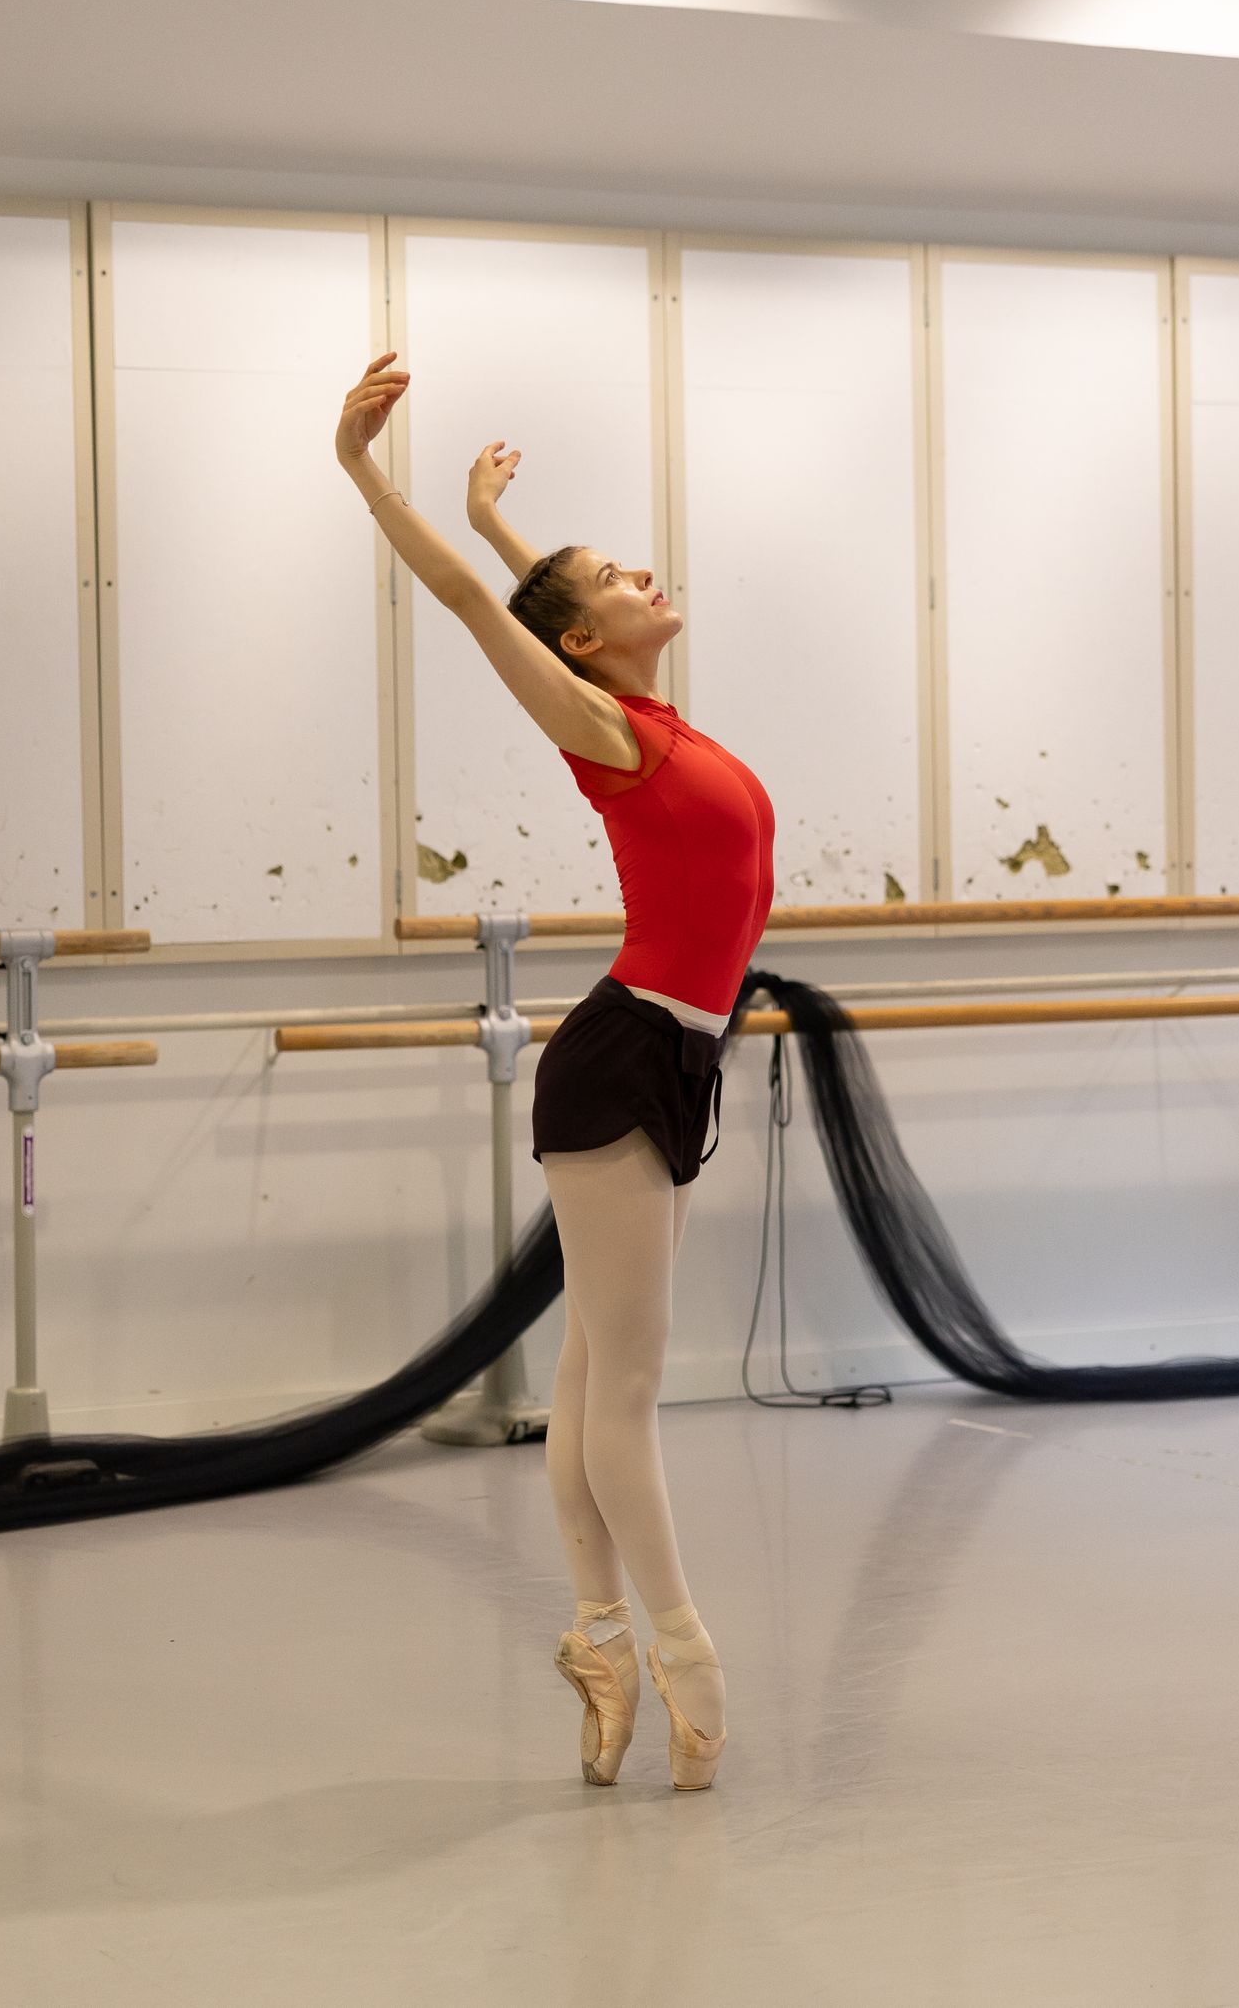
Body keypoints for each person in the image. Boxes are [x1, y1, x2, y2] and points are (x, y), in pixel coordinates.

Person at [334, 352, 775, 1791]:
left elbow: (541, 606)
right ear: (589, 639)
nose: (647, 575)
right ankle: (683, 1651)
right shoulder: (605, 727)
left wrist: (499, 522)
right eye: (620, 578)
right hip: (625, 1057)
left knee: (593, 1372)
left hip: (673, 1053)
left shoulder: (652, 713)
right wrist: (367, 474)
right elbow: (491, 613)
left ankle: (596, 1639)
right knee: (626, 1386)